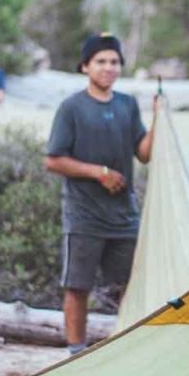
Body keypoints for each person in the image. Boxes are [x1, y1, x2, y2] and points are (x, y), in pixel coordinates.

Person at [45, 33, 157, 356]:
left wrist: (159, 119)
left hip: (124, 216)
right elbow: (53, 160)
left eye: (114, 62)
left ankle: (130, 349)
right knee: (78, 286)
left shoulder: (127, 105)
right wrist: (100, 173)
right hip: (83, 216)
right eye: (101, 62)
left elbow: (144, 154)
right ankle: (76, 353)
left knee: (131, 287)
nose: (108, 68)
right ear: (85, 67)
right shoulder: (71, 108)